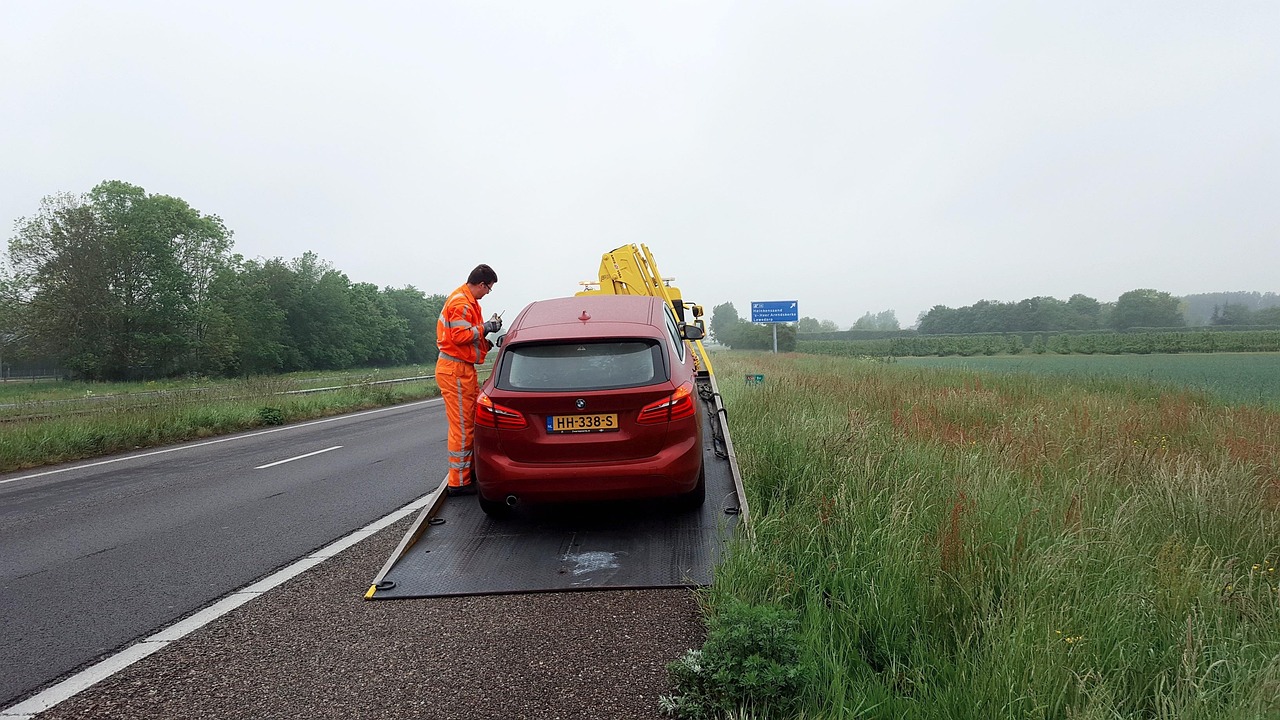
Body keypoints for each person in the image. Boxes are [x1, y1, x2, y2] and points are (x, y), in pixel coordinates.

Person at [435, 263, 502, 496]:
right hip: (455, 370)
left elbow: (466, 337)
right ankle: (459, 482)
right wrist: (485, 328)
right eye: (489, 289)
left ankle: (467, 475)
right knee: (463, 428)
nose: (487, 293)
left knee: (469, 424)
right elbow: (460, 336)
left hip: (460, 369)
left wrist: (485, 338)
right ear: (482, 284)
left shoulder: (468, 301)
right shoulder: (461, 303)